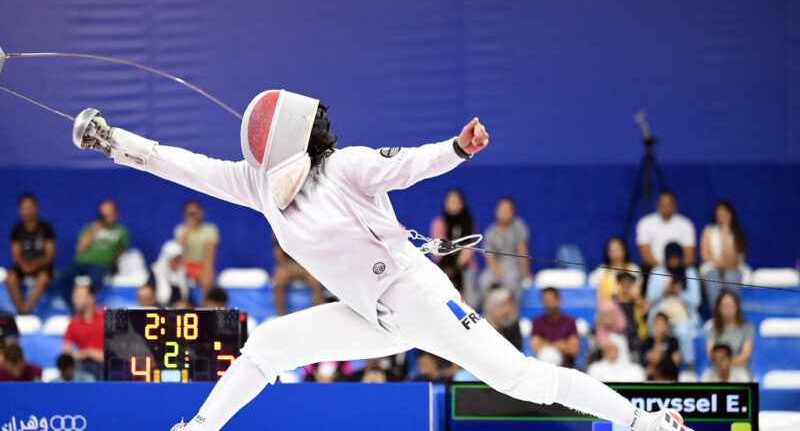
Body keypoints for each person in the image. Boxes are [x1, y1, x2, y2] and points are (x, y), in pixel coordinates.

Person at [72, 92, 689, 431]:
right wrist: (111, 141)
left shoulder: (346, 166)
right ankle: (200, 429)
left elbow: (413, 162)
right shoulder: (256, 184)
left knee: (520, 378)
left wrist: (457, 148)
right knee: (267, 343)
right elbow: (175, 161)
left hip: (417, 294)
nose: (325, 131)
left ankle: (644, 423)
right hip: (370, 314)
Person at [56, 199, 128, 303]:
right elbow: (79, 250)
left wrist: (115, 266)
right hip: (80, 263)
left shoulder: (121, 231)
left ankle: (89, 308)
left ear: (116, 215)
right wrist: (93, 231)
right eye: (103, 215)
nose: (105, 218)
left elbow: (120, 251)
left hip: (101, 264)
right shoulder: (89, 228)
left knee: (95, 283)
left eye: (109, 214)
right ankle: (75, 307)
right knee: (61, 280)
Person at [645, 243, 701, 373]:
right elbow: (649, 299)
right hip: (662, 312)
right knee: (656, 329)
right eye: (671, 257)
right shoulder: (657, 272)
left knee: (682, 332)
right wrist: (664, 290)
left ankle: (688, 367)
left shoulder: (689, 272)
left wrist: (680, 292)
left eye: (676, 257)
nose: (674, 260)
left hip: (683, 314)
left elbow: (696, 301)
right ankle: (655, 370)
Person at [6, 193, 56, 314]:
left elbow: (49, 255)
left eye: (30, 207)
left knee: (44, 277)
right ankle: (20, 310)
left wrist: (35, 265)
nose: (28, 211)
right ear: (20, 210)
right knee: (10, 277)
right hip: (23, 265)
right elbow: (16, 253)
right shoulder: (16, 230)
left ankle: (26, 309)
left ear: (36, 208)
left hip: (41, 265)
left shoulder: (46, 228)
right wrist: (23, 265)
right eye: (25, 208)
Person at [478, 198, 532, 300]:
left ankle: (511, 312)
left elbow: (522, 252)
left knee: (511, 280)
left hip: (514, 264)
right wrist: (498, 271)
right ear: (496, 212)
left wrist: (526, 274)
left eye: (507, 211)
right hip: (495, 266)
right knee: (484, 281)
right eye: (502, 210)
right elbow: (489, 258)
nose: (504, 214)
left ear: (513, 213)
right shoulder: (490, 232)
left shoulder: (518, 227)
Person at [429, 189, 477, 299]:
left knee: (469, 287)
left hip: (464, 267)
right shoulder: (438, 223)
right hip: (443, 266)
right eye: (450, 201)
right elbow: (437, 250)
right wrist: (448, 268)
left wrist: (457, 266)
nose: (452, 204)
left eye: (455, 201)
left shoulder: (469, 223)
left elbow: (468, 248)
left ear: (462, 203)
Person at [699, 201, 747, 308]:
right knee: (711, 278)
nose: (722, 216)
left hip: (733, 267)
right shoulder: (708, 230)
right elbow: (705, 255)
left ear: (731, 214)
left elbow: (733, 258)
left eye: (725, 213)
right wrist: (720, 264)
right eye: (719, 213)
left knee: (732, 278)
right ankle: (717, 318)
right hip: (712, 265)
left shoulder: (737, 233)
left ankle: (733, 316)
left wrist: (725, 234)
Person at [636, 191, 696, 272]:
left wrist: (676, 268)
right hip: (655, 268)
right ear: (657, 205)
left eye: (669, 205)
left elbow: (689, 257)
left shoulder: (685, 224)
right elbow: (646, 256)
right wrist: (663, 269)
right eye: (663, 205)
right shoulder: (645, 223)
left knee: (691, 272)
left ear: (675, 205)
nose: (666, 208)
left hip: (681, 269)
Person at [271, 234, 324, 316]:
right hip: (287, 265)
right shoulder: (281, 227)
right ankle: (280, 317)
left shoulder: (307, 229)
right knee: (278, 281)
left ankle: (318, 316)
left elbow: (313, 252)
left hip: (307, 265)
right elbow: (278, 253)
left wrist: (302, 266)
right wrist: (290, 267)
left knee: (316, 282)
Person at [175, 200, 219, 296]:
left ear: (202, 213)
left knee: (207, 279)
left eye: (195, 213)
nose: (193, 216)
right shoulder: (180, 229)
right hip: (183, 266)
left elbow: (210, 254)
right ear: (184, 216)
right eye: (190, 213)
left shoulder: (210, 229)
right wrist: (189, 228)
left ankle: (205, 308)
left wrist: (207, 271)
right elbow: (178, 250)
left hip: (201, 266)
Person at [703, 291, 754, 372]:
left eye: (730, 306)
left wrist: (728, 364)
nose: (728, 310)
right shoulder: (711, 327)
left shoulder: (747, 327)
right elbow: (711, 354)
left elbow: (745, 355)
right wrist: (723, 365)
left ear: (737, 307)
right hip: (718, 369)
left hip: (740, 368)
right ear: (718, 308)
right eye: (724, 306)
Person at [62, 284, 104, 380]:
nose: (74, 301)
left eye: (78, 297)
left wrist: (93, 354)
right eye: (74, 297)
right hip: (83, 366)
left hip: (105, 365)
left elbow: (118, 349)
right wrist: (89, 353)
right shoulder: (73, 324)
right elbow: (66, 354)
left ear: (91, 298)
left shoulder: (106, 317)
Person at [530, 288, 579, 368]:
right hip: (543, 368)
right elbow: (536, 348)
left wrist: (546, 344)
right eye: (545, 301)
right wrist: (562, 344)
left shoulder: (570, 322)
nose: (548, 305)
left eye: (551, 301)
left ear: (558, 300)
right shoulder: (537, 322)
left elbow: (573, 350)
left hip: (566, 369)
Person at [588, 237, 642, 304]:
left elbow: (637, 296)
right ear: (607, 252)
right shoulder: (601, 272)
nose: (615, 253)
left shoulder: (634, 269)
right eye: (612, 250)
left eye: (618, 250)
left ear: (624, 250)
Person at [613, 272, 648, 355]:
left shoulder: (634, 299)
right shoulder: (615, 299)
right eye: (623, 283)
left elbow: (646, 306)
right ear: (619, 284)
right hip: (618, 329)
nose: (626, 285)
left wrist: (638, 315)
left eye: (628, 283)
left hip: (632, 330)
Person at [151, 240, 193, 307]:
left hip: (181, 312)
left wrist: (187, 304)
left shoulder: (183, 273)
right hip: (160, 311)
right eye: (175, 260)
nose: (177, 263)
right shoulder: (155, 272)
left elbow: (188, 297)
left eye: (179, 260)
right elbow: (151, 297)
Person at [585, 301, 627, 367]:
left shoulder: (625, 332)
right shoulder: (594, 333)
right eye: (604, 315)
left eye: (610, 314)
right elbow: (590, 357)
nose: (607, 318)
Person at [641, 313, 681, 380]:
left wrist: (660, 365)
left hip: (667, 374)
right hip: (653, 375)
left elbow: (675, 361)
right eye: (656, 324)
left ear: (666, 326)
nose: (658, 327)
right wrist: (658, 341)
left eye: (661, 324)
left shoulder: (672, 341)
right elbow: (653, 360)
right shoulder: (648, 341)